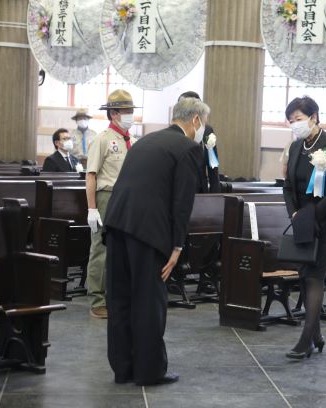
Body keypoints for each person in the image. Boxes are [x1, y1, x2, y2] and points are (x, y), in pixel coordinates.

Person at [103, 97, 206, 386]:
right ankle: (149, 371)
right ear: (195, 120)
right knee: (149, 302)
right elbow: (182, 203)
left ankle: (123, 369)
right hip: (148, 232)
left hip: (117, 224)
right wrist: (176, 247)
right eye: (204, 123)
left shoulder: (147, 140)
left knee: (120, 299)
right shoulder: (188, 148)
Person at [282, 96, 326, 359]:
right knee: (304, 275)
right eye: (290, 121)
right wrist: (295, 214)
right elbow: (288, 186)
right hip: (304, 222)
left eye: (298, 119)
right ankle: (317, 335)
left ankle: (306, 340)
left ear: (313, 117)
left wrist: (309, 216)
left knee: (314, 276)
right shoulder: (297, 146)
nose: (294, 125)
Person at [85, 90, 139, 319]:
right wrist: (92, 208)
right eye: (126, 111)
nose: (130, 115)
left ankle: (117, 297)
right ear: (114, 113)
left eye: (131, 111)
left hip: (127, 199)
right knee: (101, 248)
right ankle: (97, 300)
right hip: (107, 197)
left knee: (124, 249)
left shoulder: (132, 141)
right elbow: (91, 176)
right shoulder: (103, 139)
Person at [177, 91, 221, 193]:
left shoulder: (207, 132)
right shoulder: (174, 131)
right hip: (178, 190)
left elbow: (213, 165)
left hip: (200, 190)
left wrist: (216, 197)